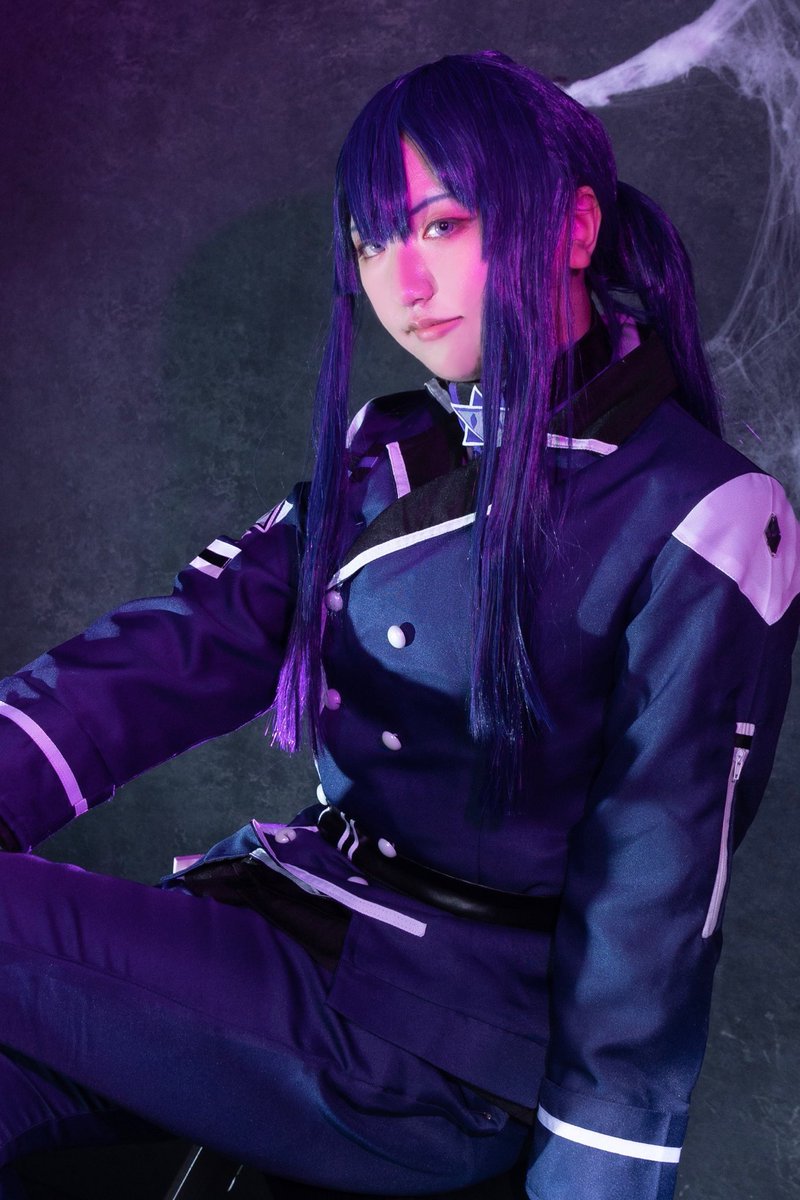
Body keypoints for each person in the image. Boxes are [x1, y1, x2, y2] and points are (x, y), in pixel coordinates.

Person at [0, 47, 797, 1200]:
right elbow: (181, 647)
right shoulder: (392, 449)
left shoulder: (701, 515)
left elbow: (653, 904)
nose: (402, 281)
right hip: (292, 935)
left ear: (575, 228)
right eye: (373, 242)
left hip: (437, 1047)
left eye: (441, 226)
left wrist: (594, 1182)